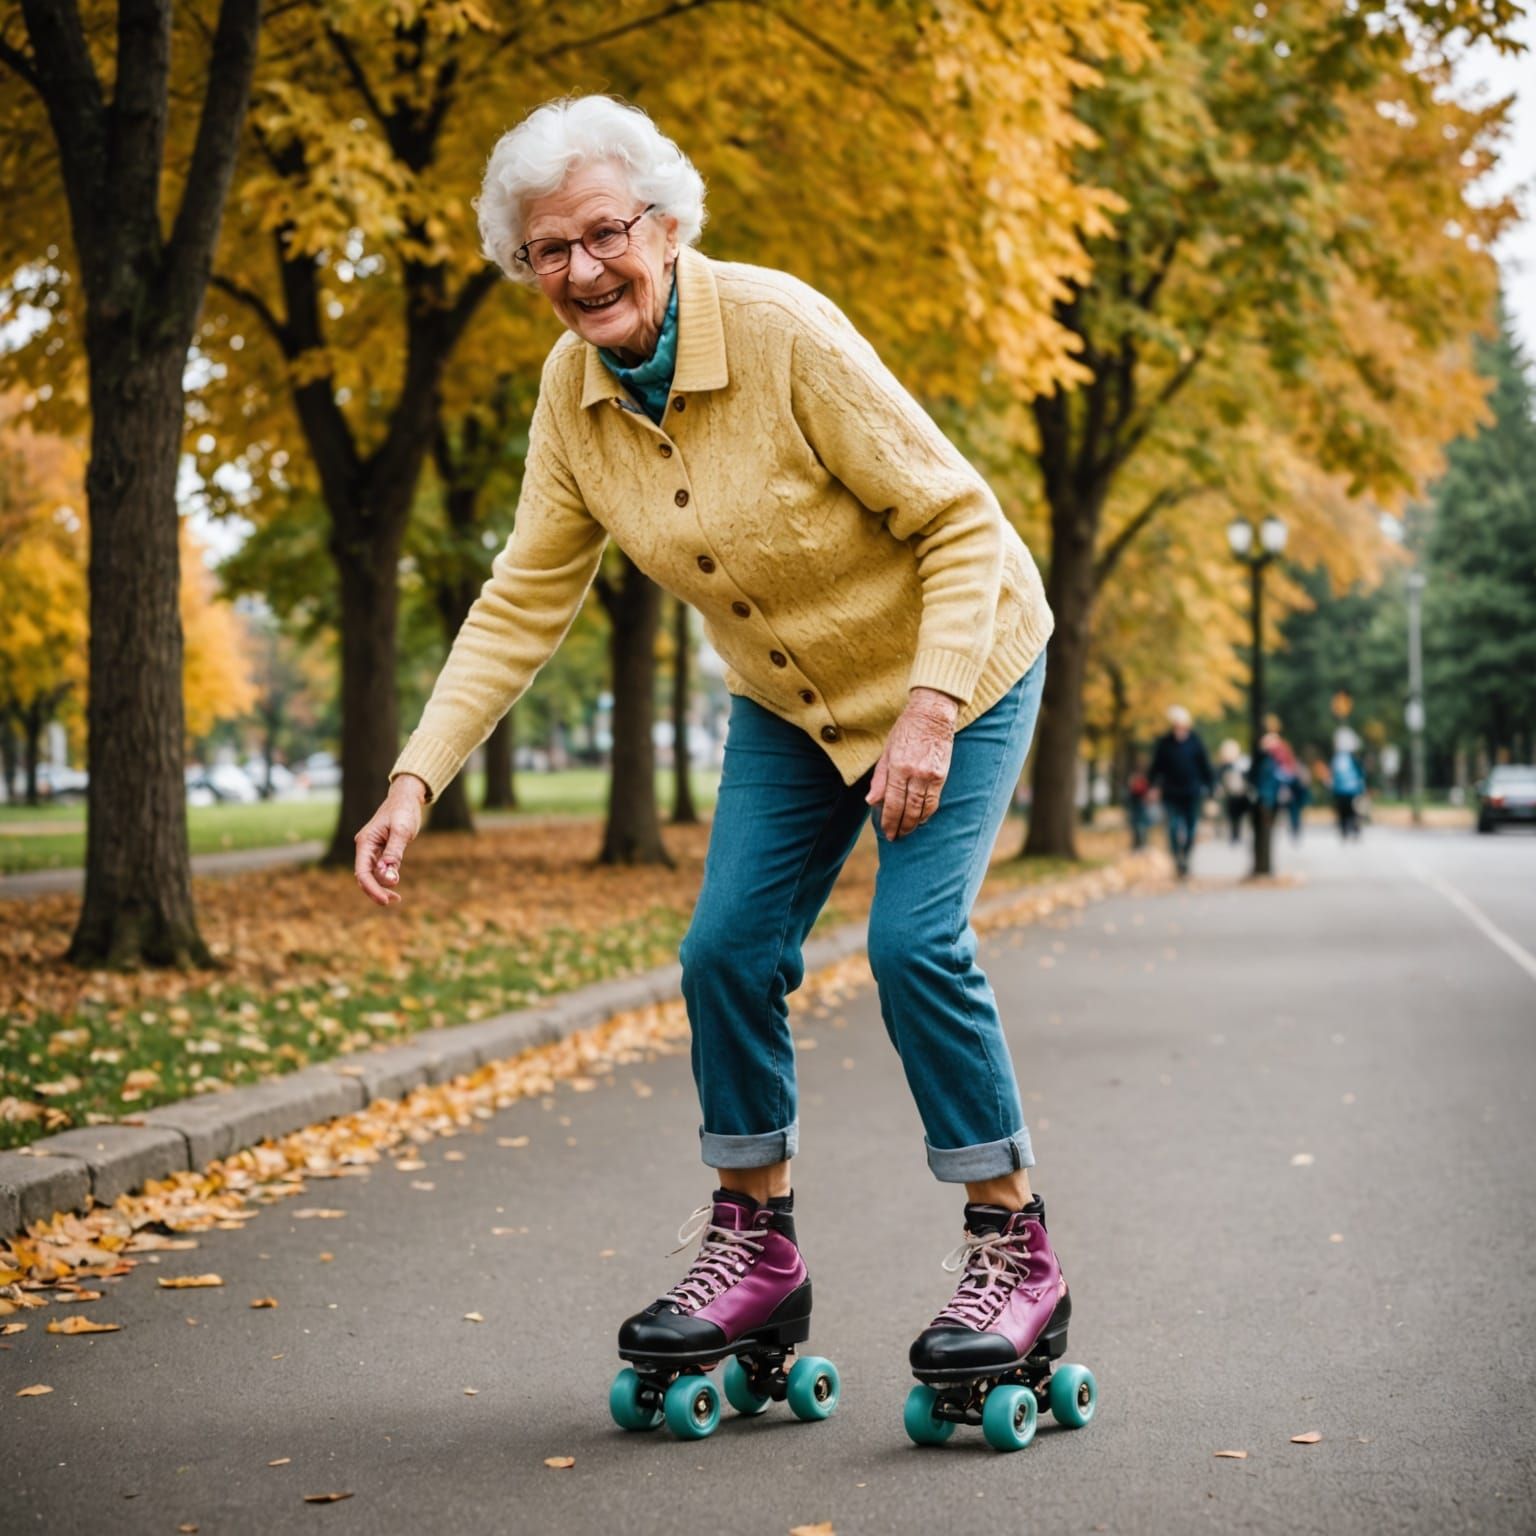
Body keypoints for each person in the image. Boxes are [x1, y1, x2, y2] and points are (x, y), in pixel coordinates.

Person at [350, 96, 1076, 1432]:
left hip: (954, 663)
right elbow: (522, 599)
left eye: (604, 235)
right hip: (793, 708)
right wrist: (415, 778)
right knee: (724, 952)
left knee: (915, 946)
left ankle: (1011, 1253)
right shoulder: (572, 406)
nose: (581, 271)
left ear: (667, 226)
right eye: (546, 253)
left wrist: (926, 710)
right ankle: (760, 1249)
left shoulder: (784, 330)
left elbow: (961, 524)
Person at [1148, 706, 1214, 878]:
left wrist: (1211, 790)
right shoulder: (1165, 743)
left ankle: (1186, 855)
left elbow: (1205, 767)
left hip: (1192, 792)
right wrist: (1153, 786)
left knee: (1191, 828)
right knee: (1172, 827)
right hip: (1171, 792)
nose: (1178, 727)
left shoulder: (1195, 742)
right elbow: (1156, 767)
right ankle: (1177, 857)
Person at [1330, 740, 1366, 840]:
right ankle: (1352, 829)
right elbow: (1361, 774)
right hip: (1351, 790)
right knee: (1353, 811)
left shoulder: (1337, 759)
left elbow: (1333, 774)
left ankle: (1346, 829)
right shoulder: (1352, 758)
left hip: (1342, 790)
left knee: (1345, 811)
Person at [1216, 738, 1250, 845]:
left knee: (1237, 816)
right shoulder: (1224, 767)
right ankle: (1234, 835)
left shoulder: (1241, 764)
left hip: (1240, 794)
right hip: (1230, 794)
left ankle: (1236, 835)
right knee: (1232, 816)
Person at [1126, 758, 1152, 850]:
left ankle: (1141, 843)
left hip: (1140, 804)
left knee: (1140, 825)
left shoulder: (1139, 779)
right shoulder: (1138, 779)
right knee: (1137, 825)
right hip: (1137, 804)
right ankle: (1138, 843)